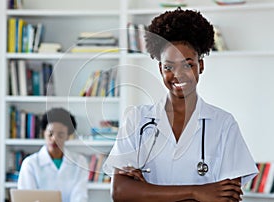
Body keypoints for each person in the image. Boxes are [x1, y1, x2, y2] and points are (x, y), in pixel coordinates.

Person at [103, 8, 258, 202]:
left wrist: (146, 190)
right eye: (169, 66)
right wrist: (197, 192)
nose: (178, 74)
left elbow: (228, 197)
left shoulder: (223, 124)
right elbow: (120, 192)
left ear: (200, 66)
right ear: (160, 68)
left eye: (188, 64)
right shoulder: (136, 119)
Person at [18, 108, 88, 202]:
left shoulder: (80, 162)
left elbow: (80, 197)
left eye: (60, 135)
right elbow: (27, 198)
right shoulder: (30, 164)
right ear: (44, 133)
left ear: (68, 136)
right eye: (50, 134)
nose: (54, 139)